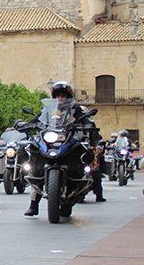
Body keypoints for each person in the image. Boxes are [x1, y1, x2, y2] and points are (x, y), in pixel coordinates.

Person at [25, 81, 99, 216]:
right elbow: (37, 120)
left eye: (63, 95)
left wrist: (88, 125)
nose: (61, 98)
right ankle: (33, 204)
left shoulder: (76, 109)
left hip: (69, 139)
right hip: (51, 140)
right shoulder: (47, 110)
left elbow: (86, 120)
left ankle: (81, 178)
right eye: (58, 95)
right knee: (35, 162)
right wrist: (25, 125)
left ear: (68, 96)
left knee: (83, 151)